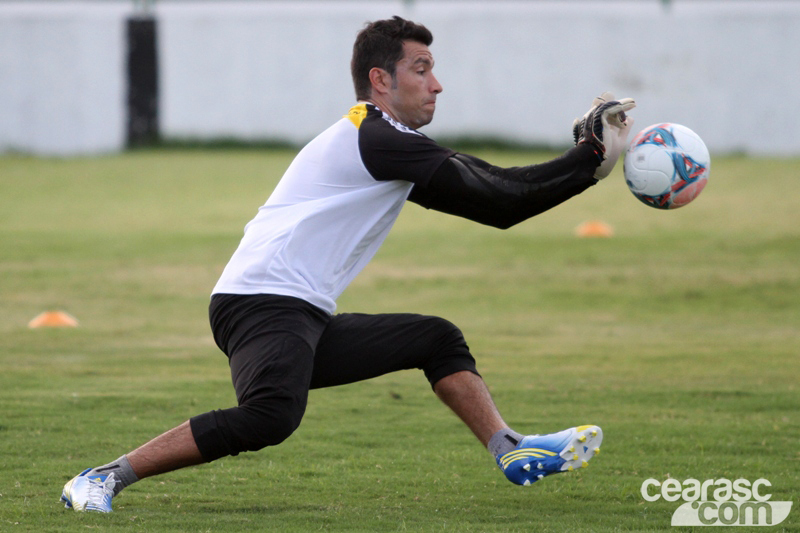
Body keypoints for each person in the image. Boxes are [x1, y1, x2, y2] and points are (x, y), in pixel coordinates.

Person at [61, 16, 635, 513]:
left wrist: (585, 164)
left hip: (296, 308)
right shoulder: (376, 135)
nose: (437, 84)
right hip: (262, 299)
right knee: (270, 417)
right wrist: (588, 159)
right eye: (421, 69)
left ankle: (511, 450)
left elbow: (498, 208)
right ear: (380, 80)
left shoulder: (388, 147)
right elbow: (502, 195)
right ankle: (101, 477)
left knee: (436, 339)